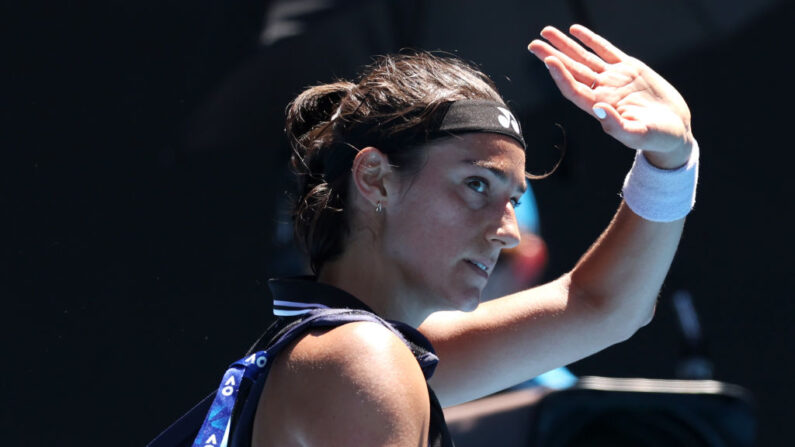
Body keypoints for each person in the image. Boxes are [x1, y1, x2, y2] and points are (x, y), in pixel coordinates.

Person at [194, 24, 699, 447]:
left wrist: (671, 163)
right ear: (376, 179)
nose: (506, 233)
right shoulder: (363, 361)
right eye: (476, 184)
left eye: (513, 201)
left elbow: (602, 305)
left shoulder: (347, 353)